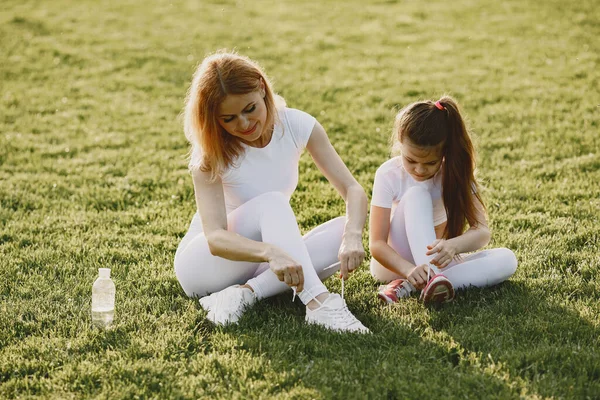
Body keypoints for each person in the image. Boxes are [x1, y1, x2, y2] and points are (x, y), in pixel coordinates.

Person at [174, 51, 369, 333]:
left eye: (250, 109)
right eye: (228, 118)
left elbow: (352, 189)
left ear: (262, 89)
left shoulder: (297, 125)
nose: (243, 124)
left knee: (341, 231)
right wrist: (269, 252)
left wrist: (352, 237)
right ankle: (318, 303)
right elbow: (215, 239)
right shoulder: (210, 155)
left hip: (256, 264)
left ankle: (244, 294)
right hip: (205, 265)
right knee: (272, 203)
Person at [369, 96, 518, 304]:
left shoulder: (455, 173)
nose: (419, 170)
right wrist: (409, 269)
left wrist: (453, 246)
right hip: (393, 266)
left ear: (444, 153)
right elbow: (376, 244)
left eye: (430, 163)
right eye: (410, 160)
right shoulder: (388, 174)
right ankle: (422, 279)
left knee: (507, 259)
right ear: (399, 145)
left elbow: (481, 231)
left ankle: (417, 285)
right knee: (416, 194)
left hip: (436, 264)